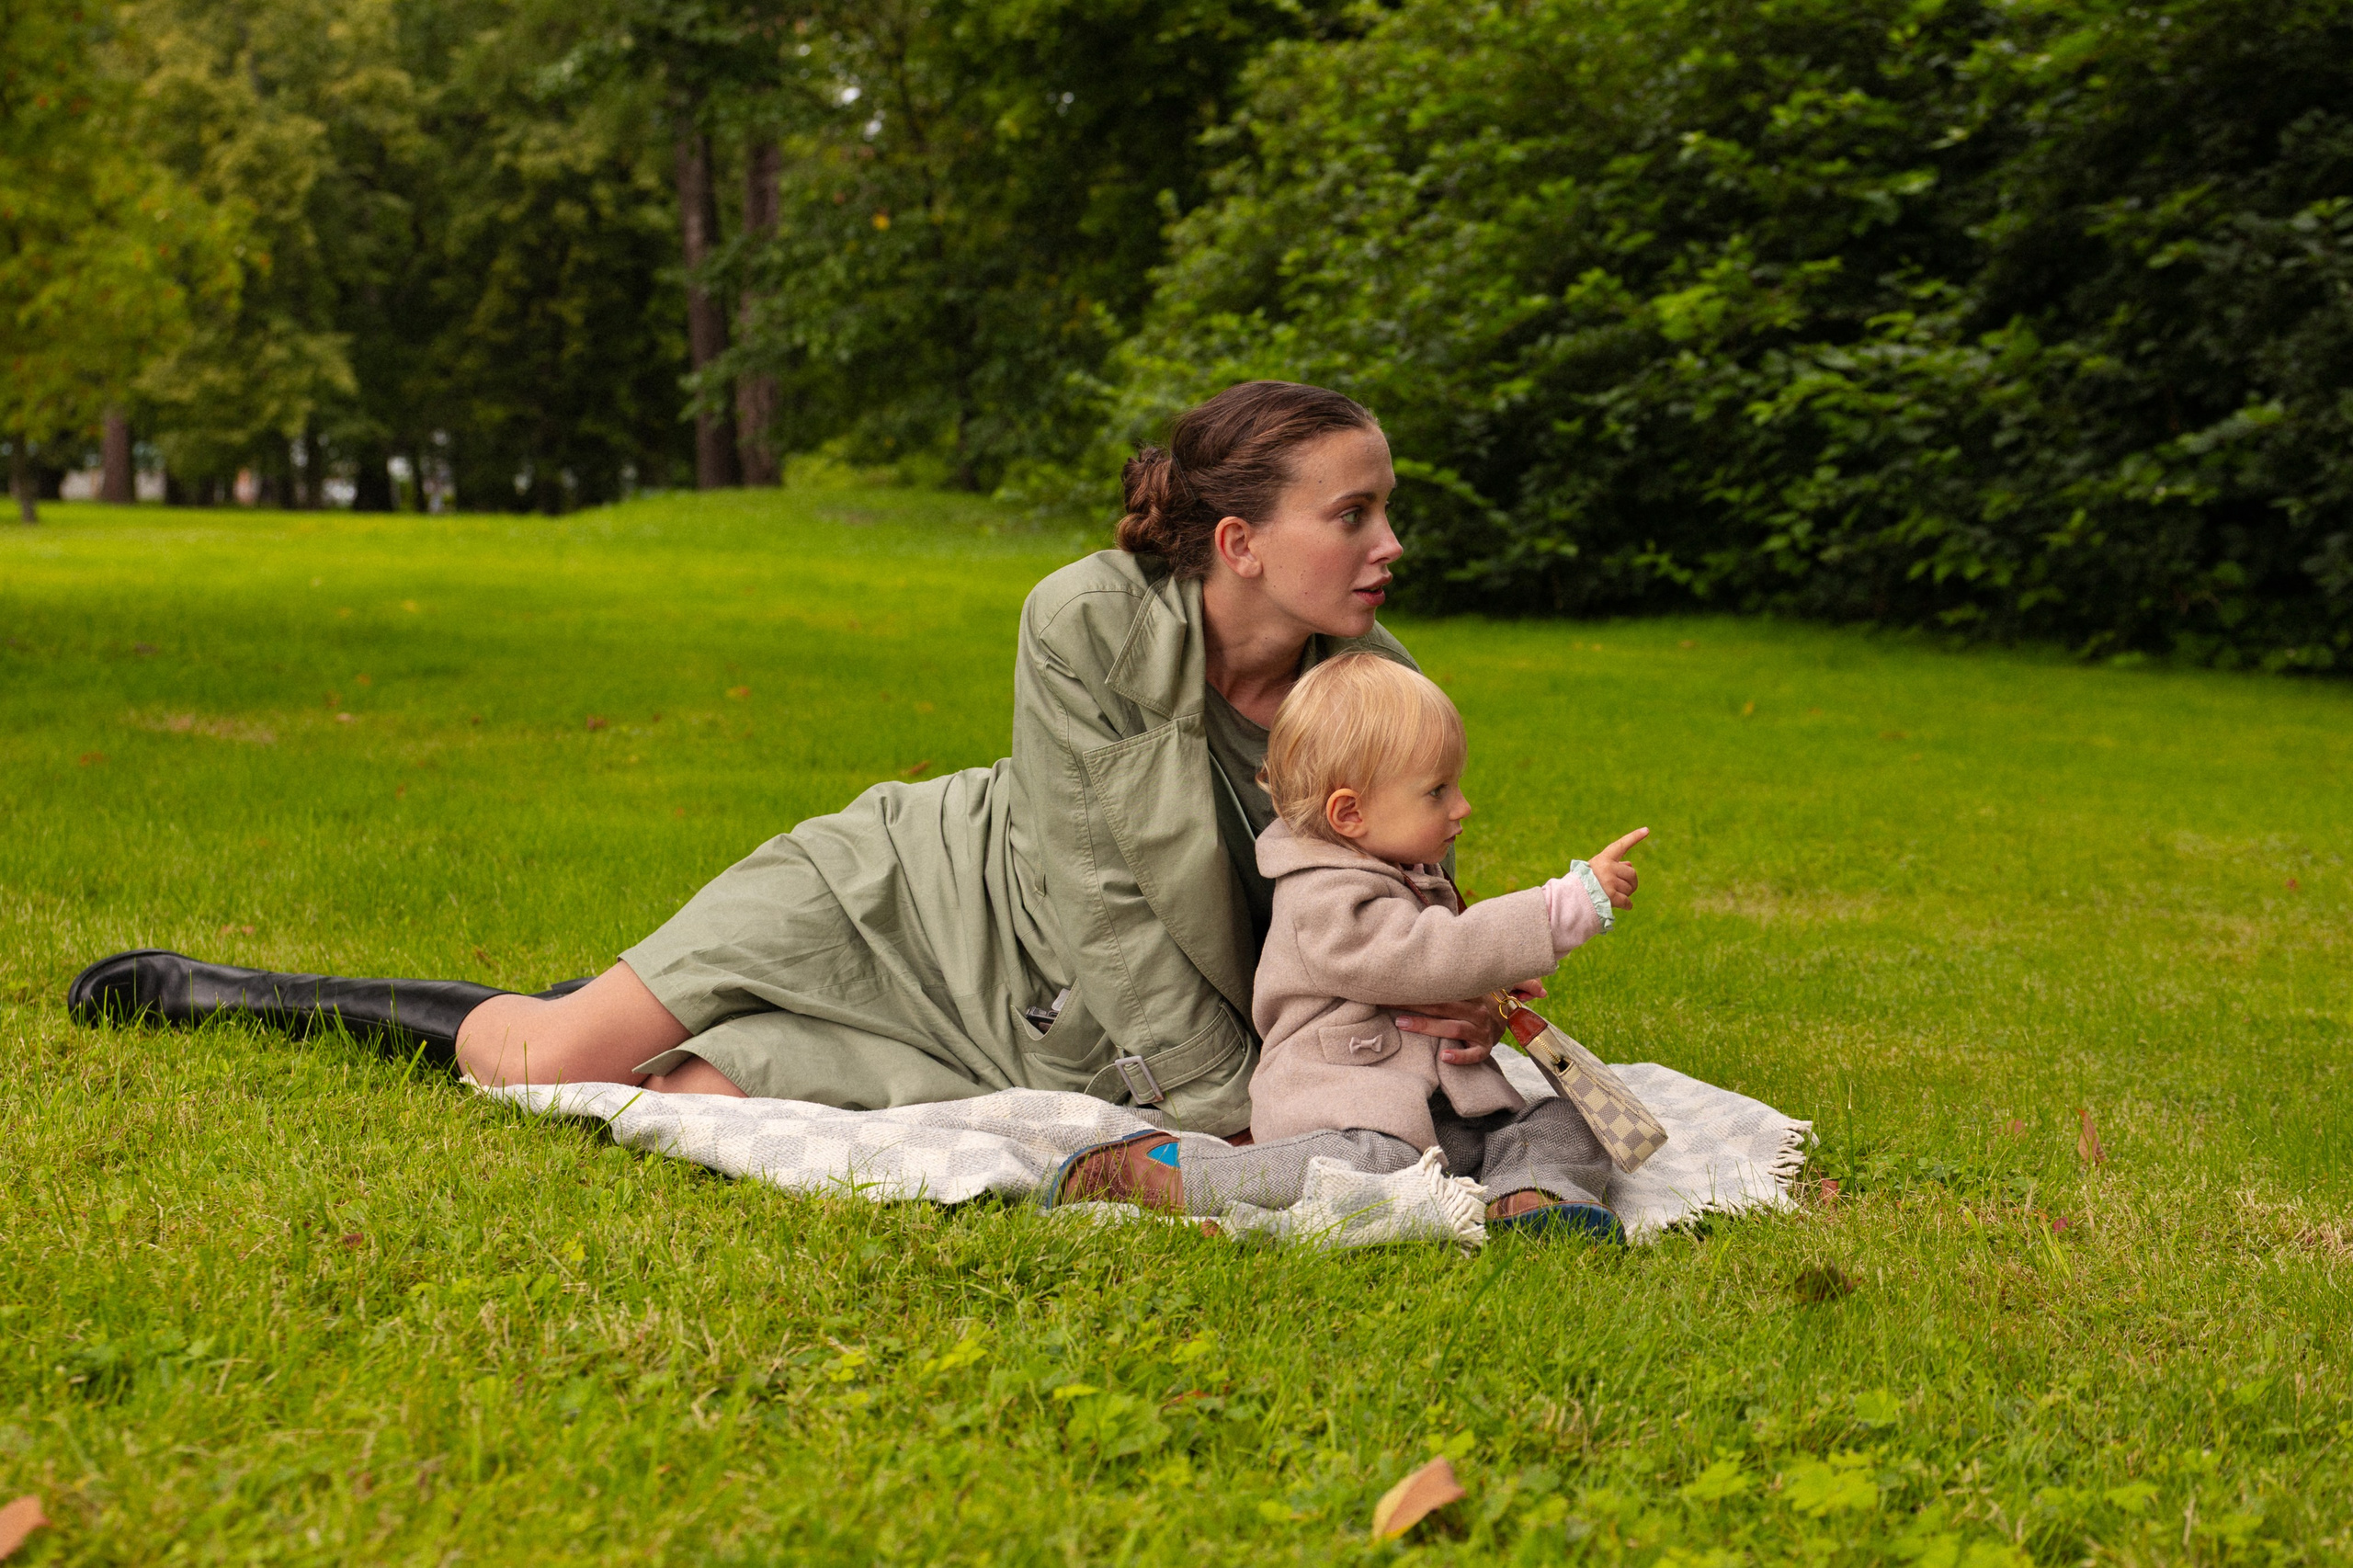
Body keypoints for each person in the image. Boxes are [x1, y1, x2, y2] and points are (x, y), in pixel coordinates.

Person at [67, 381, 1520, 1139]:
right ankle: (237, 996)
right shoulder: (1084, 619)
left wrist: (1459, 993)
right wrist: (1233, 1111)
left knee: (656, 1099)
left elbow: (1393, 913)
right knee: (540, 1064)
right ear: (1241, 540)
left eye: (1387, 510)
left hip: (1051, 1027)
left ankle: (615, 1008)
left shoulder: (1380, 693)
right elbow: (1104, 900)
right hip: (915, 894)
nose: (1392, 544)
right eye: (1357, 513)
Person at [1038, 654, 1645, 1233]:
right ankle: (1173, 1176)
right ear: (1350, 814)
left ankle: (1527, 1195)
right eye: (1438, 791)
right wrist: (1563, 910)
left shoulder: (1403, 868)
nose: (1463, 806)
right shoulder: (1321, 898)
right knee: (1372, 1169)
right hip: (1351, 1111)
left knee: (1567, 1118)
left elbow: (1438, 959)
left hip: (1444, 1112)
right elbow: (1418, 956)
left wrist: (1489, 988)